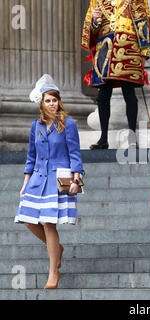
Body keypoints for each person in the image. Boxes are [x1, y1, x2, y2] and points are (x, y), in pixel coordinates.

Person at [15, 74, 83, 289]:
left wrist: (76, 177)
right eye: (48, 100)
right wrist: (25, 182)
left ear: (58, 102)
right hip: (37, 178)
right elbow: (31, 156)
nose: (52, 104)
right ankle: (57, 249)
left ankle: (53, 272)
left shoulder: (68, 124)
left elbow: (75, 153)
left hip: (57, 179)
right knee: (27, 219)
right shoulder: (35, 125)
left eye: (55, 100)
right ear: (41, 104)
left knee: (49, 223)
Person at [82, 0, 150, 149]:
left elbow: (143, 21)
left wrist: (144, 52)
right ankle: (103, 138)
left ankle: (132, 137)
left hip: (129, 47)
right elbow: (91, 31)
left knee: (128, 92)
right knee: (103, 93)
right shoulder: (96, 1)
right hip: (104, 48)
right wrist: (95, 22)